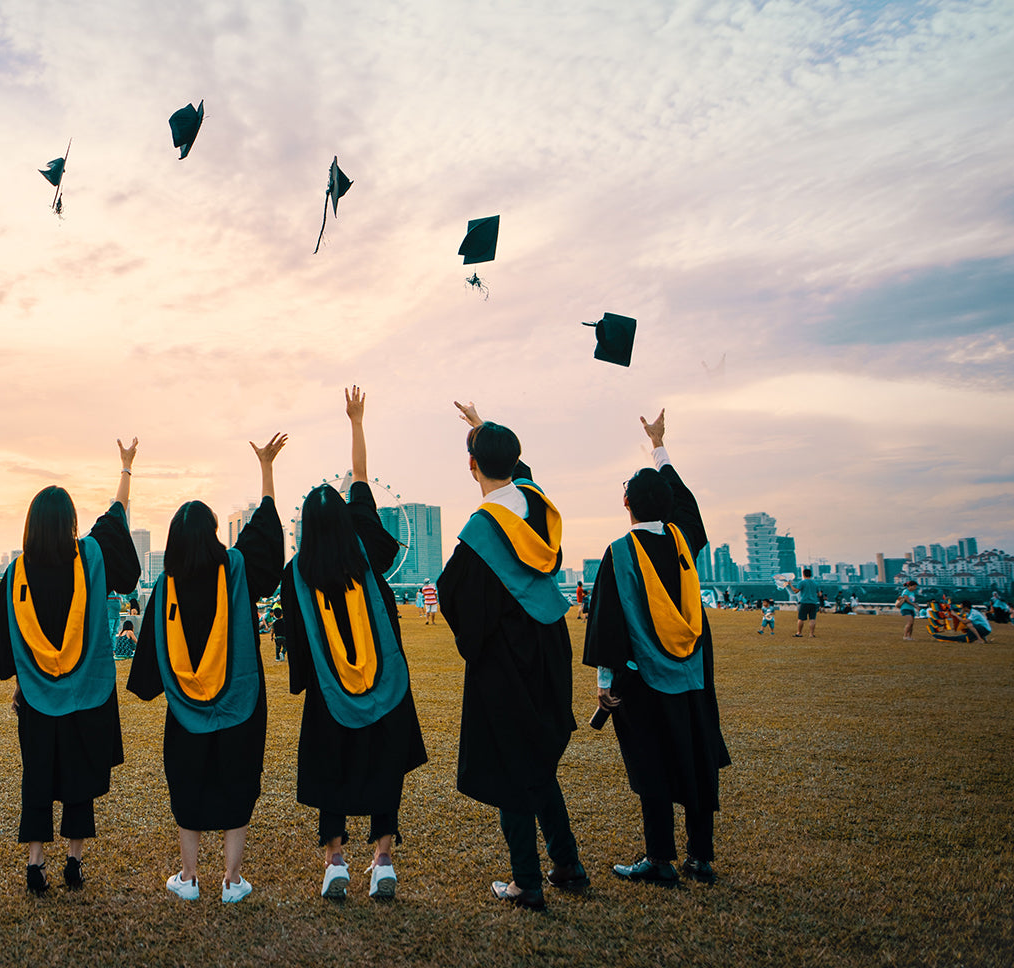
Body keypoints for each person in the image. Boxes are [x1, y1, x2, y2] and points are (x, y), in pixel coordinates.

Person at [436, 399, 585, 911]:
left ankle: (527, 882)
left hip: (506, 658)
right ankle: (566, 863)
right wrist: (484, 429)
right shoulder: (538, 505)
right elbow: (520, 473)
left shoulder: (481, 532)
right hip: (551, 641)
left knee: (510, 764)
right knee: (538, 759)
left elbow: (453, 594)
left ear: (470, 465)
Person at [128, 432, 287, 904]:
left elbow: (149, 667)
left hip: (186, 715)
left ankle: (190, 877)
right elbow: (267, 541)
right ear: (216, 534)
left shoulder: (166, 588)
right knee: (239, 783)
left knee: (189, 786)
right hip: (241, 704)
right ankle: (233, 881)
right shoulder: (237, 567)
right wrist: (267, 470)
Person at [282, 387, 428, 900]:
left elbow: (294, 637)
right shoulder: (364, 549)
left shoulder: (296, 573)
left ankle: (335, 862)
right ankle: (383, 861)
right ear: (345, 520)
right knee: (384, 766)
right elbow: (362, 479)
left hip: (329, 692)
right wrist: (356, 422)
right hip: (384, 682)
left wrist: (307, 677)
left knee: (332, 771)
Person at [0, 439, 143, 894]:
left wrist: (23, 682)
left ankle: (35, 864)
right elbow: (116, 519)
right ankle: (73, 863)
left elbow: (4, 643)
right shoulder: (90, 556)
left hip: (36, 698)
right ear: (71, 523)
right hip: (87, 695)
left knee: (38, 776)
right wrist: (126, 469)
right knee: (78, 777)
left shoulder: (16, 575)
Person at [583, 409, 731, 886]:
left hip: (642, 678)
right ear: (668, 506)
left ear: (625, 502)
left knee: (652, 763)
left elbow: (608, 622)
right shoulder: (685, 541)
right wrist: (659, 446)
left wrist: (605, 682)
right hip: (692, 676)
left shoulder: (620, 552)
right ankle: (702, 857)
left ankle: (660, 860)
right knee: (695, 757)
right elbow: (687, 506)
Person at [792, 568, 821, 638]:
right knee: (812, 619)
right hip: (813, 603)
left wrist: (790, 585)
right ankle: (811, 634)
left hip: (804, 602)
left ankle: (799, 633)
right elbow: (819, 594)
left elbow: (796, 591)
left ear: (803, 574)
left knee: (801, 618)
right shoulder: (815, 583)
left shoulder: (802, 582)